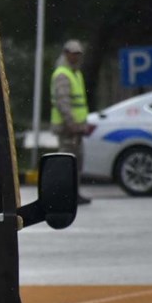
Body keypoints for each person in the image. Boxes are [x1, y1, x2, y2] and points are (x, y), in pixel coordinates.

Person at [50, 39, 91, 204]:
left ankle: (74, 193)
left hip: (77, 128)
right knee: (67, 163)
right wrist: (72, 124)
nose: (76, 57)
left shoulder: (76, 73)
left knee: (76, 162)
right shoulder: (63, 74)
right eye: (73, 54)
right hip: (68, 128)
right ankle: (65, 195)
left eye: (78, 54)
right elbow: (63, 103)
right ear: (66, 53)